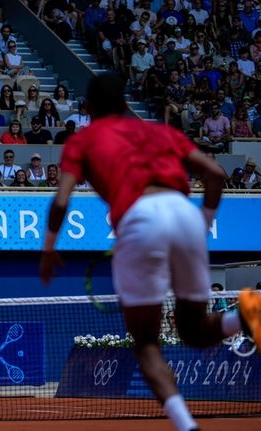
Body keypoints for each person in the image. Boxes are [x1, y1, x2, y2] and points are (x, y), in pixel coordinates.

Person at [39, 73, 261, 431]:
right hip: (184, 213)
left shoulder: (82, 141)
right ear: (126, 104)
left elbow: (61, 200)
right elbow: (215, 174)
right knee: (193, 331)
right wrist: (201, 224)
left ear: (89, 109)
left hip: (139, 219)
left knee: (146, 345)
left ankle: (187, 426)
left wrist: (48, 250)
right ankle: (248, 313)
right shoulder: (160, 131)